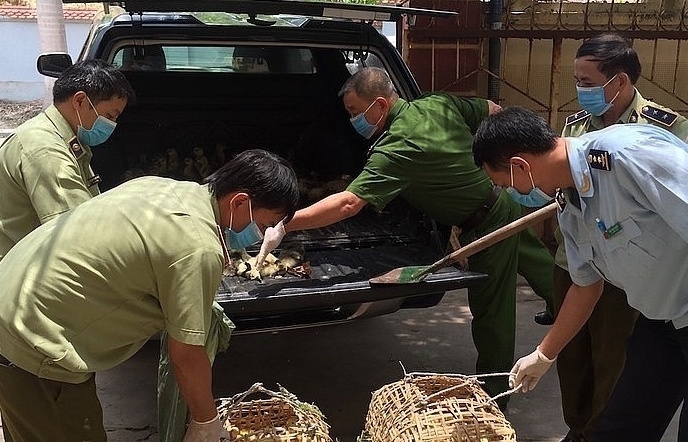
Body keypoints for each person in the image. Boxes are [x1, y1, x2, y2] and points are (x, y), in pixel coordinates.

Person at [256, 66, 556, 406]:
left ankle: (495, 391)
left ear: (380, 105)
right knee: (537, 261)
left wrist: (285, 223)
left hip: (486, 220)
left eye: (355, 112)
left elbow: (349, 204)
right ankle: (573, 316)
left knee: (492, 310)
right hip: (503, 197)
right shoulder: (436, 104)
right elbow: (491, 110)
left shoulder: (398, 147)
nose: (352, 120)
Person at [0, 149, 300, 441]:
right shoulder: (197, 247)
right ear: (239, 201)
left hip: (16, 297)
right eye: (263, 225)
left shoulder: (163, 187)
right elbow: (185, 353)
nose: (262, 235)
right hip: (32, 340)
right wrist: (206, 422)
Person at [472, 105, 688, 441]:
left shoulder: (627, 156)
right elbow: (586, 287)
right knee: (620, 429)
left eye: (503, 183)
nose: (509, 192)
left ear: (519, 166)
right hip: (661, 321)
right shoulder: (571, 206)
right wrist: (544, 354)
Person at [552, 33, 688, 442]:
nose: (580, 91)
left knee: (616, 355)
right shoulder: (575, 126)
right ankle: (580, 429)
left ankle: (596, 427)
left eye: (588, 83)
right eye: (577, 81)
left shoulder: (664, 127)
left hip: (640, 267)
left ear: (621, 82)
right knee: (573, 355)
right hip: (580, 258)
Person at [0, 59, 135, 261]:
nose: (111, 125)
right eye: (109, 116)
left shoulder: (66, 139)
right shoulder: (44, 149)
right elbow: (78, 232)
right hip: (18, 270)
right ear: (80, 101)